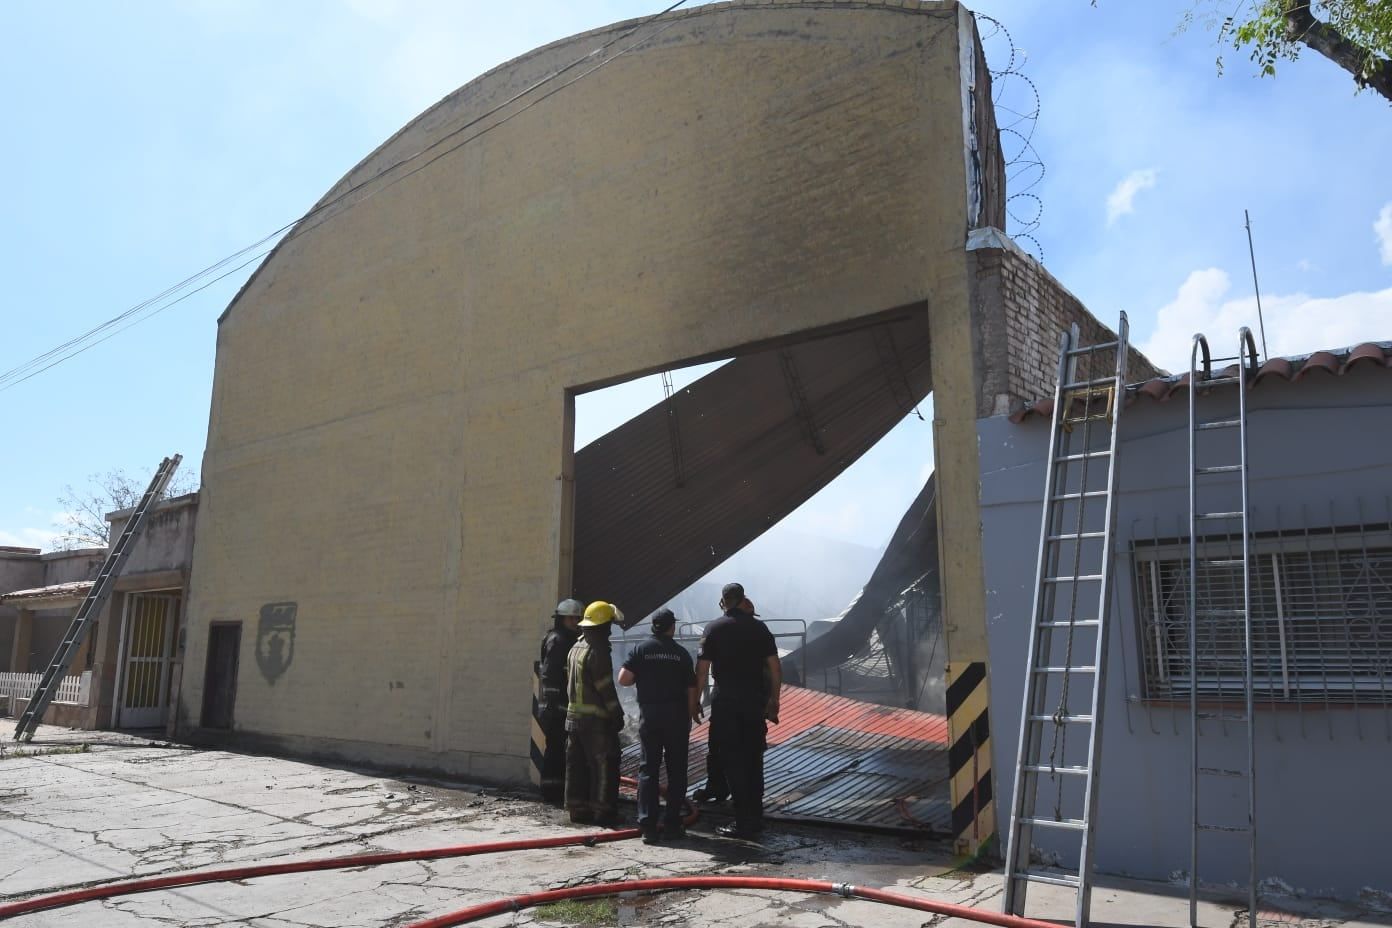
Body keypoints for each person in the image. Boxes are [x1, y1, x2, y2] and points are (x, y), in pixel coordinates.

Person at [693, 583, 781, 839]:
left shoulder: (714, 629)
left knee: (733, 761)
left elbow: (702, 670)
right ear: (743, 600)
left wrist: (694, 701)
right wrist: (774, 700)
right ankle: (755, 818)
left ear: (723, 601)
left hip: (726, 705)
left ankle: (743, 822)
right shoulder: (760, 628)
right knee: (754, 760)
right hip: (754, 703)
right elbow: (775, 668)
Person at [618, 608, 697, 844]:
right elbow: (692, 689)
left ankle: (648, 827)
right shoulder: (681, 654)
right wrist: (692, 712)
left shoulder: (642, 649)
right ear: (672, 627)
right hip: (677, 717)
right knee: (677, 770)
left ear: (654, 626)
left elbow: (623, 679)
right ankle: (673, 824)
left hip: (650, 715)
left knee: (648, 769)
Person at [565, 600, 625, 826]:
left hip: (573, 720)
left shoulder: (576, 646)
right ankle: (603, 812)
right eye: (609, 624)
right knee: (604, 765)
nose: (610, 630)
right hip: (595, 721)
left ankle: (577, 810)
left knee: (576, 765)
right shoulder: (597, 649)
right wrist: (616, 714)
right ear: (601, 626)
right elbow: (605, 687)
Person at [536, 598, 585, 804]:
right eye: (571, 618)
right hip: (556, 706)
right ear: (561, 619)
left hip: (566, 704)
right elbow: (549, 674)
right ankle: (550, 793)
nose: (575, 621)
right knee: (555, 749)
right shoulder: (557, 639)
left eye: (577, 618)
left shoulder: (571, 639)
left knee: (562, 750)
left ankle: (560, 790)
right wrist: (553, 703)